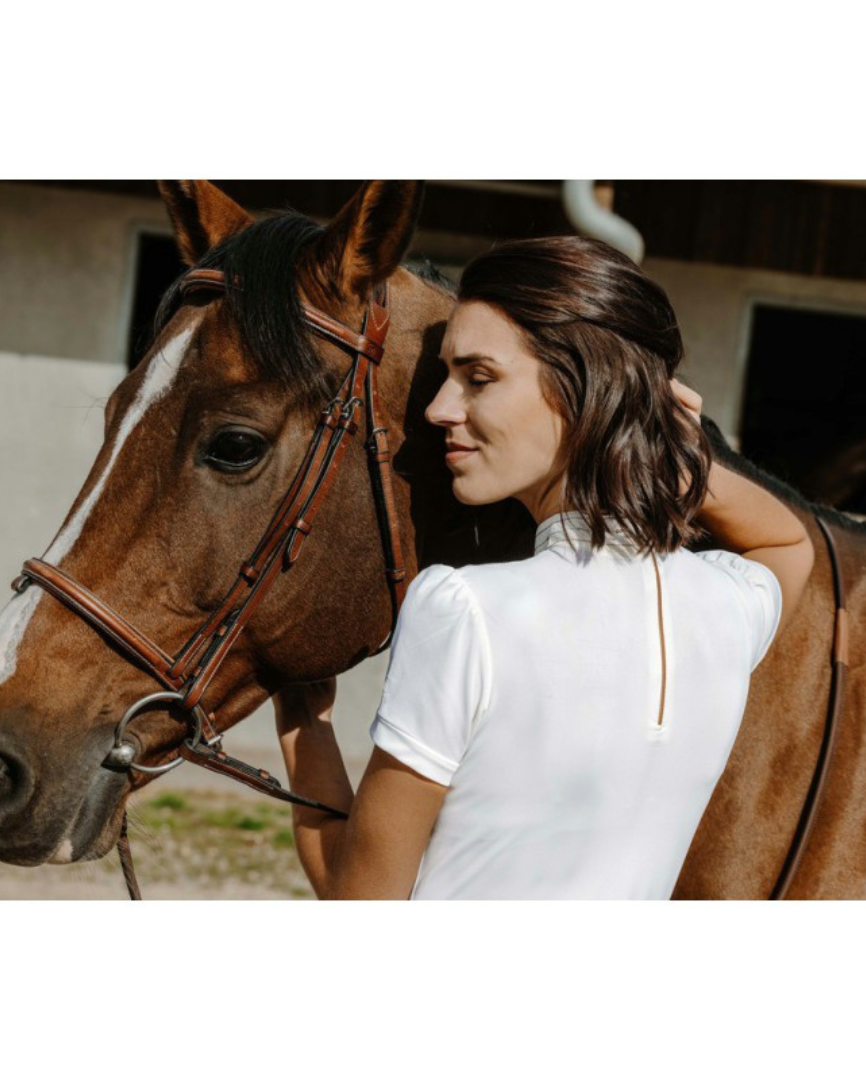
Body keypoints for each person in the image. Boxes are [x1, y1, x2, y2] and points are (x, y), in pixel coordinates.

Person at [270, 235, 815, 900]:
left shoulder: (464, 609)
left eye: (479, 378)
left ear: (583, 389)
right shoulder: (731, 607)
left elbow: (362, 904)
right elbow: (789, 543)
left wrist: (304, 723)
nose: (440, 409)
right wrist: (669, 448)